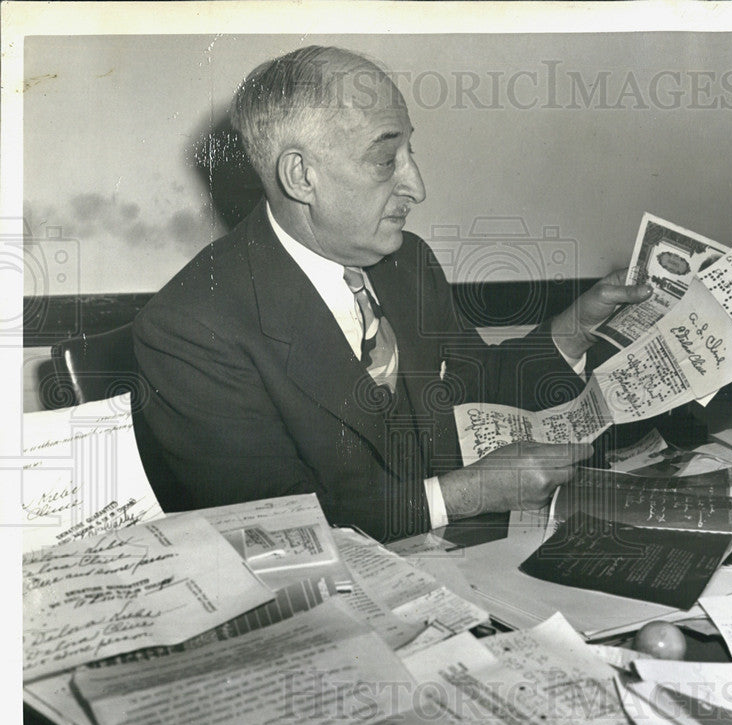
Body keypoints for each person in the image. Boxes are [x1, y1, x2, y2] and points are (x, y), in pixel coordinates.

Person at [133, 46, 650, 541]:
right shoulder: (192, 326)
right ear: (300, 176)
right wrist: (464, 494)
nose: (417, 186)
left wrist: (575, 329)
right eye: (386, 161)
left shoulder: (407, 261)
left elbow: (474, 388)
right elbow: (276, 528)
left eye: (410, 152)